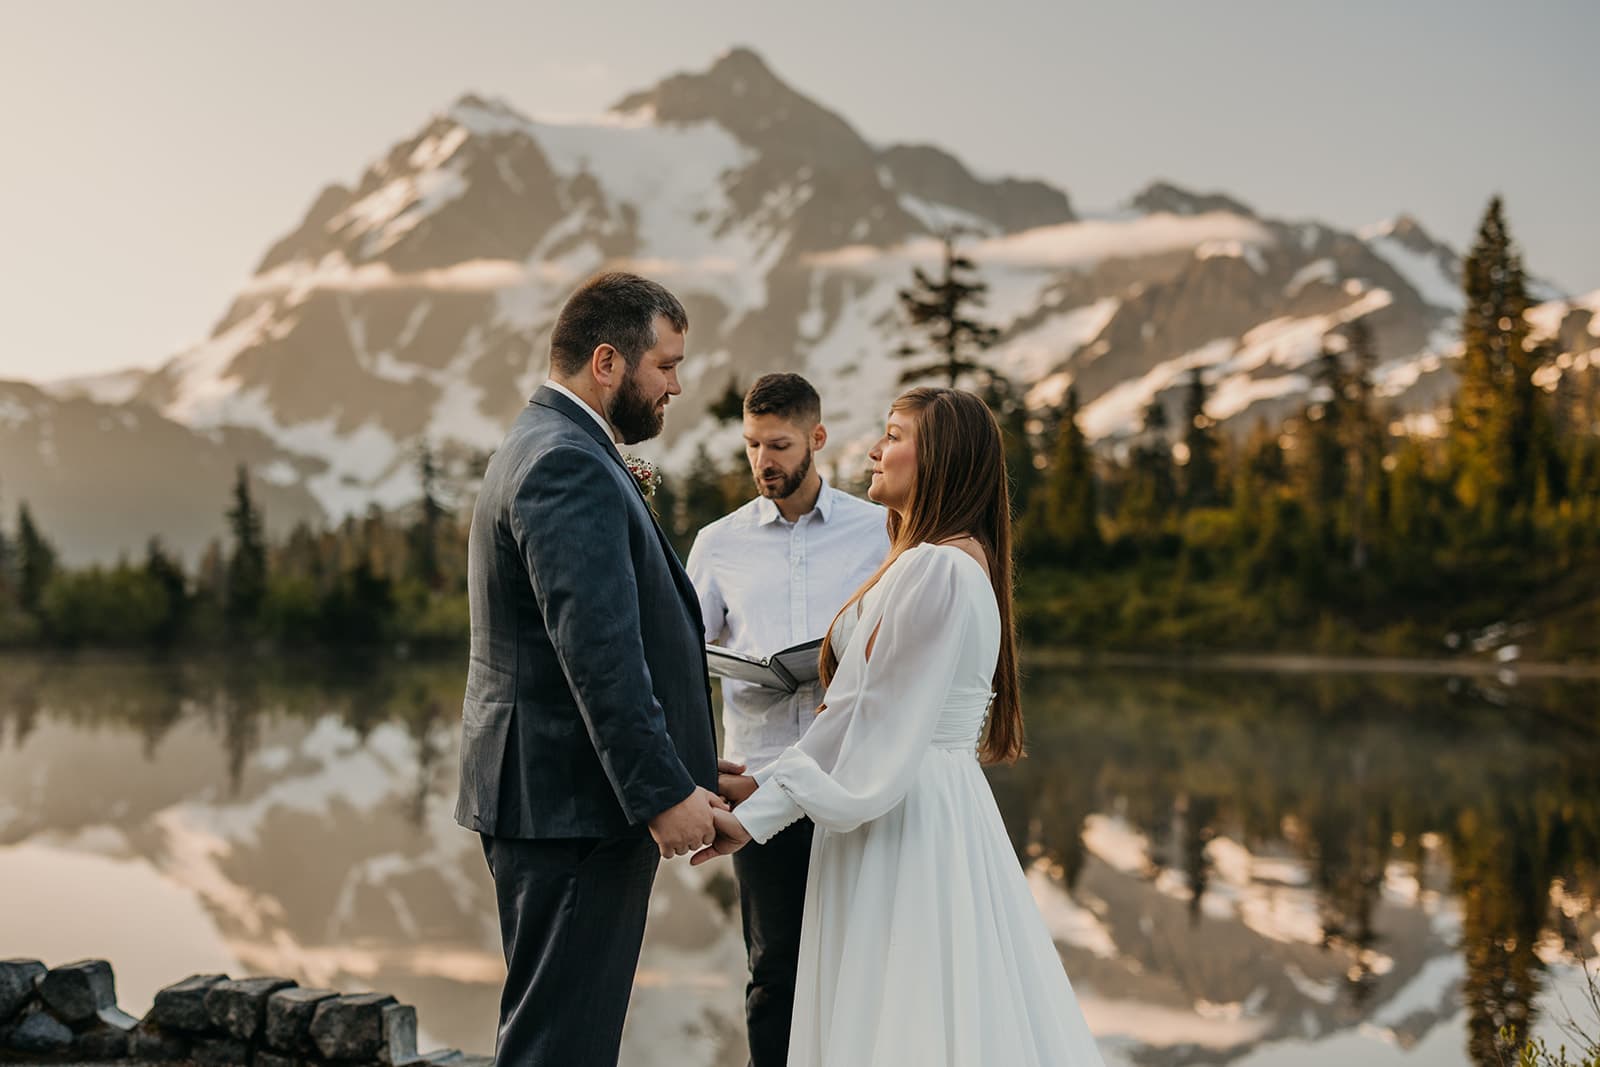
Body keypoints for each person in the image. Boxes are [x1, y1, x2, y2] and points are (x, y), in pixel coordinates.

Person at [700, 387, 1107, 1067]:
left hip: (904, 817)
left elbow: (871, 719)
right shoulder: (946, 559)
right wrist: (764, 784)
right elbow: (864, 712)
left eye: (893, 434)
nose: (873, 449)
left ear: (939, 456)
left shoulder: (935, 568)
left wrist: (755, 813)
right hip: (923, 801)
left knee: (902, 1007)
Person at [455, 272, 723, 1066]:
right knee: (560, 1047)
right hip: (571, 808)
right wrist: (661, 790)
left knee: (561, 1038)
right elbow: (597, 652)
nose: (676, 384)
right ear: (608, 362)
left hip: (563, 801)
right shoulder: (564, 462)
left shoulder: (552, 444)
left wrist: (690, 762)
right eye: (666, 365)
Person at [685, 372, 889, 1067]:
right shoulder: (717, 544)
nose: (764, 461)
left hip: (854, 783)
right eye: (752, 445)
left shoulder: (878, 530)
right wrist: (694, 760)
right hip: (760, 788)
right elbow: (682, 661)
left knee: (864, 969)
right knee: (774, 972)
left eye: (779, 444)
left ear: (817, 439)